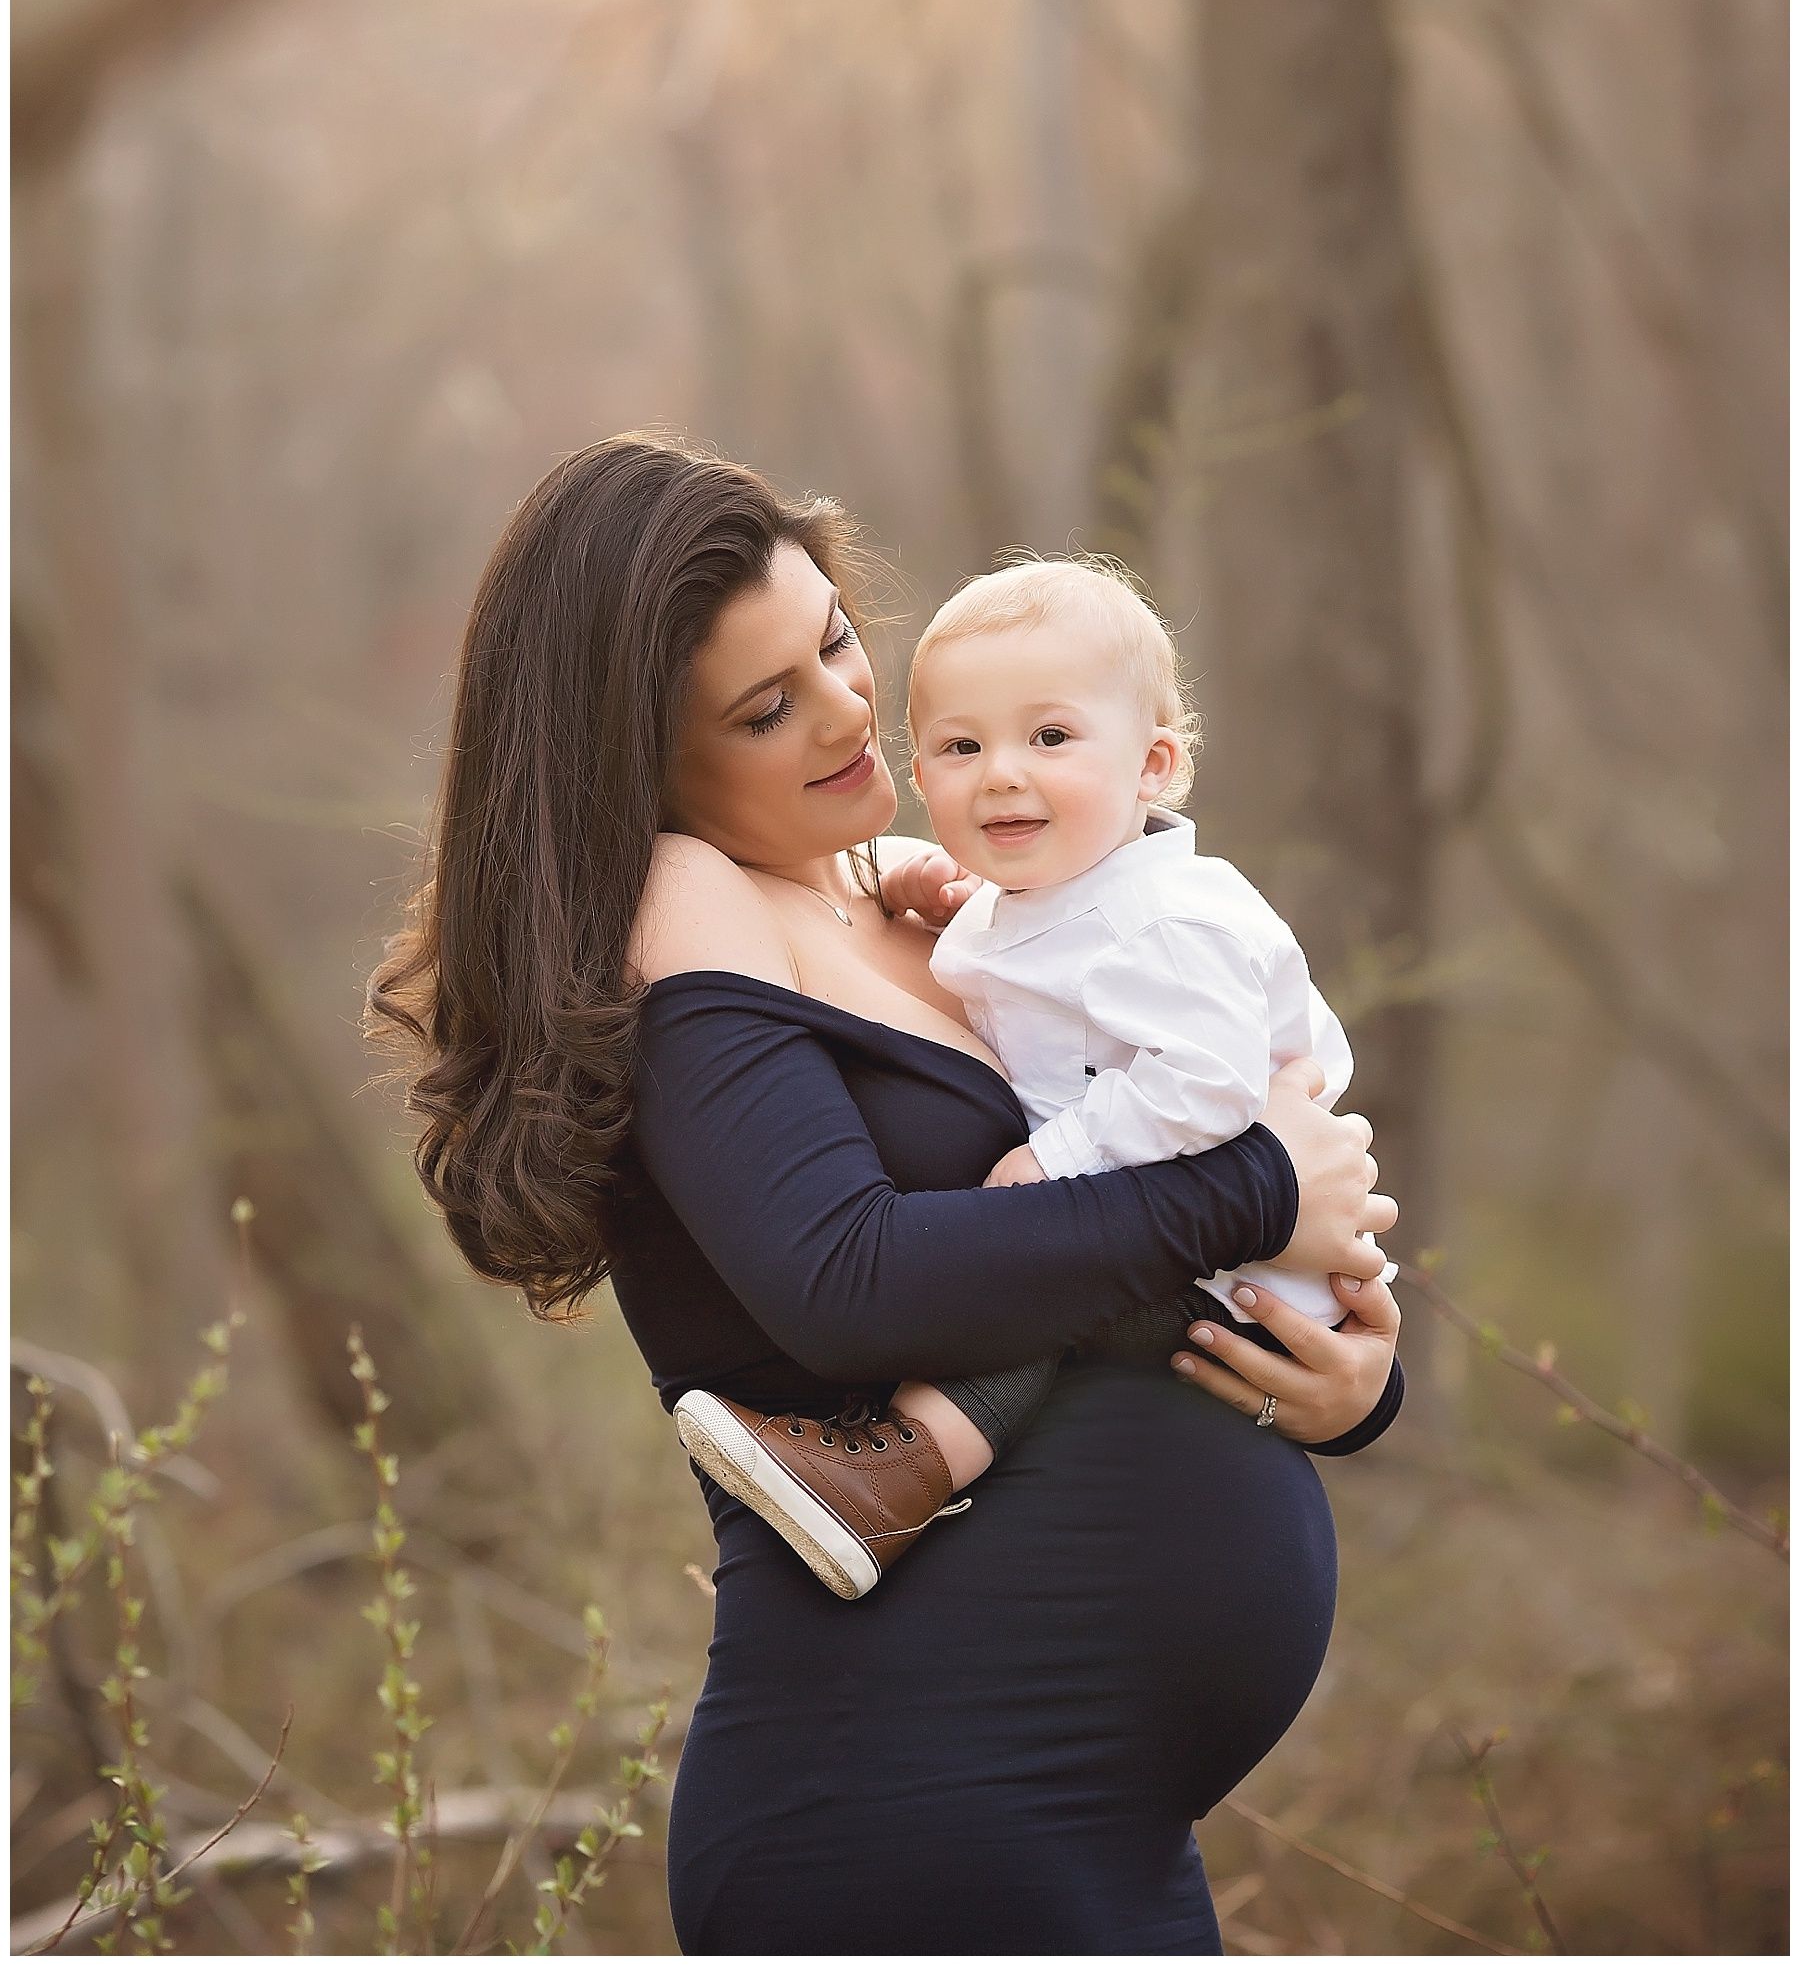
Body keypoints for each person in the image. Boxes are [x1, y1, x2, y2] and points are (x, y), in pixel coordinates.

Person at [368, 435, 1404, 1957]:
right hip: (905, 1800)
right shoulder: (685, 894)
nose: (854, 706)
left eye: (838, 641)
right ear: (639, 761)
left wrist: (1340, 1380)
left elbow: (1107, 1207)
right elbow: (850, 1281)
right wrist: (1252, 1188)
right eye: (764, 706)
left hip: (1088, 1826)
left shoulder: (921, 897)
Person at [671, 553, 1401, 1602]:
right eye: (963, 746)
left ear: (1153, 765)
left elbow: (1209, 1089)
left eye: (1050, 737)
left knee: (1054, 1297)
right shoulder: (1026, 896)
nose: (1003, 772)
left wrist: (1055, 1159)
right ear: (925, 773)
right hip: (1202, 1298)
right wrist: (933, 884)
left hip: (1235, 1298)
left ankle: (904, 1467)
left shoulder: (1167, 918)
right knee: (1051, 1287)